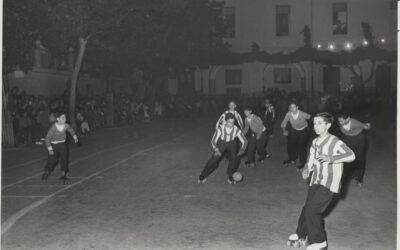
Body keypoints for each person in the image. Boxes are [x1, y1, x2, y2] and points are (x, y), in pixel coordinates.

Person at [287, 112, 355, 250]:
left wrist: (332, 158)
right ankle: (300, 234)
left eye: (320, 123)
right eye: (314, 123)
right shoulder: (315, 141)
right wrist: (306, 168)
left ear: (328, 125)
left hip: (329, 184)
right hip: (316, 180)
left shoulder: (334, 141)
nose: (315, 126)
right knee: (307, 208)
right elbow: (311, 159)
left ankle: (320, 242)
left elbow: (351, 155)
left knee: (313, 210)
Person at [198, 113, 247, 184]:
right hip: (222, 144)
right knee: (213, 160)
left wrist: (242, 150)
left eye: (233, 122)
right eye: (230, 122)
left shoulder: (236, 129)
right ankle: (202, 176)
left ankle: (231, 176)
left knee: (235, 159)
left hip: (232, 144)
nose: (232, 124)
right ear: (226, 121)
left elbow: (245, 141)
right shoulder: (220, 129)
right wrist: (216, 149)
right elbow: (213, 140)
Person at [41, 113, 79, 184]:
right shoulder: (53, 127)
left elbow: (70, 130)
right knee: (52, 160)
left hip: (62, 145)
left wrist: (75, 137)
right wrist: (50, 149)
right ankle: (47, 172)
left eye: (65, 118)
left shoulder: (66, 125)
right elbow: (47, 138)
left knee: (64, 159)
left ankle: (63, 175)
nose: (64, 119)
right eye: (62, 118)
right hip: (54, 146)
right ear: (58, 119)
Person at [337, 111, 371, 186]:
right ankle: (344, 177)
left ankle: (359, 178)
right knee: (345, 157)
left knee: (360, 158)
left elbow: (366, 127)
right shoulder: (340, 123)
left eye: (342, 121)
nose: (340, 122)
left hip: (359, 139)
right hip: (348, 138)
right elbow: (344, 132)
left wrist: (367, 125)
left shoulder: (356, 123)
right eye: (339, 121)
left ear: (348, 119)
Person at [281, 101, 311, 169]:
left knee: (301, 146)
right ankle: (292, 159)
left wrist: (316, 125)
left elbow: (310, 117)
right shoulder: (288, 114)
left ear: (297, 107)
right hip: (294, 130)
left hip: (304, 130)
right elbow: (284, 123)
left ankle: (303, 162)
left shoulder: (302, 114)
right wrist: (284, 130)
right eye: (290, 107)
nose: (292, 108)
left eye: (294, 107)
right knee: (291, 144)